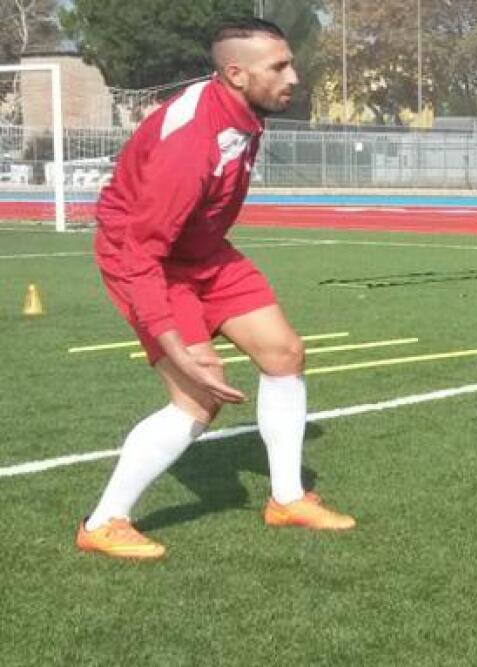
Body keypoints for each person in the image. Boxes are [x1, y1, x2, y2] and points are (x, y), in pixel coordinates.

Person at [77, 18, 355, 561]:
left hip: (202, 251)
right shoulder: (190, 142)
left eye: (290, 62)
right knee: (198, 397)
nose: (293, 76)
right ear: (234, 73)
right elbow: (140, 252)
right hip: (149, 258)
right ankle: (104, 521)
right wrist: (175, 346)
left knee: (283, 353)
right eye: (278, 67)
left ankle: (287, 499)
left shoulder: (245, 109)